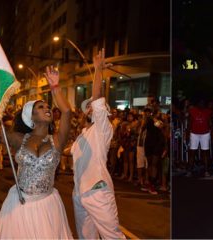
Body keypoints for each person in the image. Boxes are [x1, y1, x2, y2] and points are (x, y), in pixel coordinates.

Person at [0, 66, 73, 239]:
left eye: (48, 106)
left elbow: (66, 111)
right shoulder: (18, 139)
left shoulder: (57, 141)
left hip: (47, 206)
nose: (47, 108)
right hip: (19, 203)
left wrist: (55, 87)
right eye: (41, 106)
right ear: (30, 115)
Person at [71, 48, 125, 239]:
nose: (89, 109)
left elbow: (98, 100)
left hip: (97, 191)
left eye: (93, 107)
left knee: (112, 236)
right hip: (79, 193)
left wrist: (98, 70)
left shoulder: (103, 128)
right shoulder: (82, 135)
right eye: (87, 108)